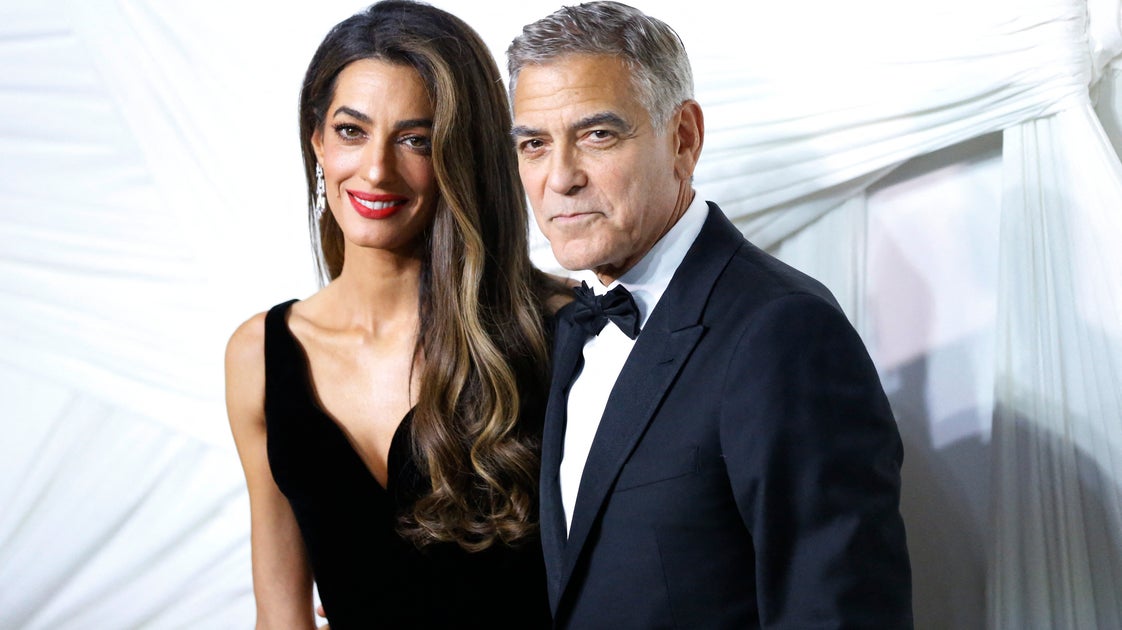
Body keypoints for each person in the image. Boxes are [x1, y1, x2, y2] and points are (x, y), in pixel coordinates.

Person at [506, 2, 914, 628]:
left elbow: (839, 612)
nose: (560, 178)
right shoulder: (567, 325)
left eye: (597, 135)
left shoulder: (784, 332)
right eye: (534, 144)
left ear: (684, 139)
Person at [225, 2, 562, 628]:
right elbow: (280, 618)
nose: (377, 169)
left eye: (416, 140)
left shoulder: (558, 332)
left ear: (462, 153)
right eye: (351, 131)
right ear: (317, 140)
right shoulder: (259, 355)